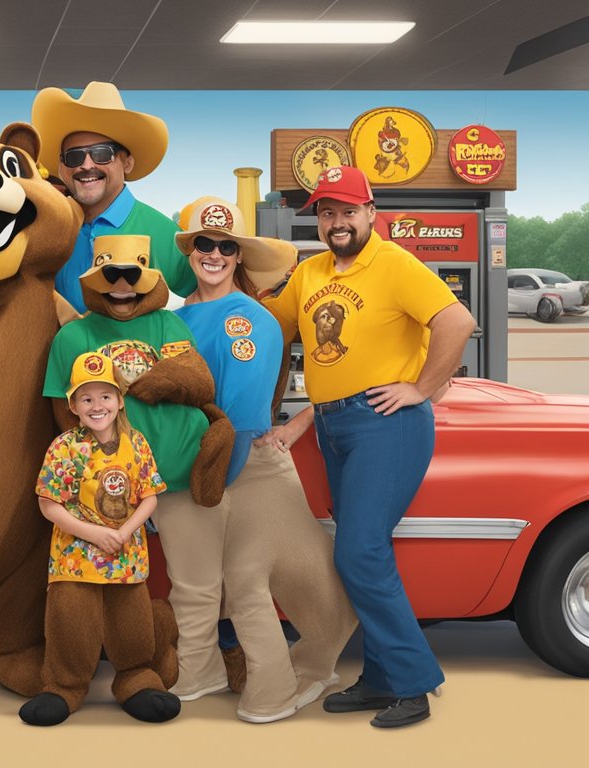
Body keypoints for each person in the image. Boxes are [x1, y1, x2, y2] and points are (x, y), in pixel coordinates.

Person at [262, 166, 476, 728]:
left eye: (347, 211)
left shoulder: (395, 263)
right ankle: (381, 680)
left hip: (387, 424)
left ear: (370, 213)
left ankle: (413, 683)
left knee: (357, 552)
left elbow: (457, 320)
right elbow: (267, 329)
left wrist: (421, 388)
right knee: (368, 553)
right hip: (334, 425)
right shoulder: (309, 273)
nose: (337, 222)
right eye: (327, 213)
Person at [167, 197, 356, 723]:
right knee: (200, 582)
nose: (214, 254)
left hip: (238, 465)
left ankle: (275, 687)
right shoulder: (177, 316)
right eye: (204, 243)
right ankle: (199, 670)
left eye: (227, 247)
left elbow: (242, 411)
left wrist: (212, 478)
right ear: (191, 251)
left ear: (238, 258)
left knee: (246, 577)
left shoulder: (248, 320)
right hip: (194, 468)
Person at [20, 351, 178, 726]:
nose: (97, 406)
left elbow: (150, 495)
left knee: (132, 628)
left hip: (127, 560)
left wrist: (123, 532)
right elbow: (49, 504)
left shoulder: (136, 443)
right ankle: (64, 686)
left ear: (120, 399)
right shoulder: (64, 447)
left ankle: (137, 677)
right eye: (86, 398)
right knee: (71, 626)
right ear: (73, 405)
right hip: (75, 561)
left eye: (105, 396)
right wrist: (94, 534)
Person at [31, 81, 197, 314]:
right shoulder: (50, 234)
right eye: (74, 156)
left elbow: (200, 310)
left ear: (127, 162)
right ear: (61, 167)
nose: (86, 165)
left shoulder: (165, 235)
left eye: (102, 154)